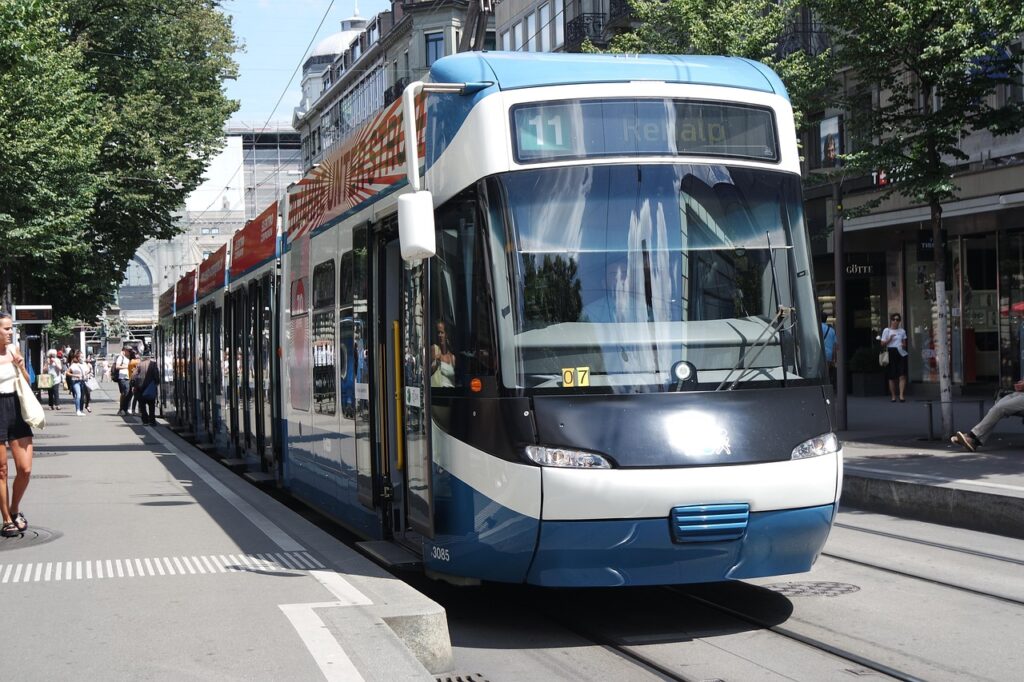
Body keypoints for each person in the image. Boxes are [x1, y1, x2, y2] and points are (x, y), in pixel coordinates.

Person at [0, 312, 34, 537]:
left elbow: (29, 382)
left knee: (25, 468)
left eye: (11, 328)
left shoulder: (14, 350)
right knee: (1, 470)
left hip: (16, 407)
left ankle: (15, 508)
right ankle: (6, 519)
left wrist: (21, 366)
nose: (11, 332)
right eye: (6, 329)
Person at [952, 379, 1024, 452]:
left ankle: (971, 436)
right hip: (1019, 393)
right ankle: (974, 442)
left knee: (999, 408)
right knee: (995, 408)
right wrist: (1021, 383)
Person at [880, 313, 908, 402]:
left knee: (902, 374)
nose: (895, 321)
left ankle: (901, 395)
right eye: (894, 319)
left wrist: (903, 344)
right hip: (890, 352)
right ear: (891, 320)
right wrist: (890, 339)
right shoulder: (886, 330)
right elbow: (882, 344)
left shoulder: (902, 331)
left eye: (897, 319)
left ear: (899, 321)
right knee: (891, 376)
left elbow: (904, 343)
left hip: (900, 352)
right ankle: (893, 396)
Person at [133, 352, 161, 425]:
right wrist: (156, 383)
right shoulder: (153, 364)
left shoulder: (139, 364)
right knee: (151, 405)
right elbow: (156, 376)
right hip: (150, 388)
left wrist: (134, 385)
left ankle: (145, 421)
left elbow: (134, 376)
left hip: (140, 388)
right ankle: (152, 420)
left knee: (142, 406)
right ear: (149, 357)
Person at [430, 321, 456, 388]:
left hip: (451, 394)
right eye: (438, 333)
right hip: (439, 393)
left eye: (442, 332)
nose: (440, 335)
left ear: (446, 334)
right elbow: (428, 372)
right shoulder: (434, 349)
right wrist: (436, 361)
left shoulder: (452, 357)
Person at [65, 350, 88, 416]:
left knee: (82, 397)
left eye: (83, 356)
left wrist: (86, 373)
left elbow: (88, 369)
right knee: (78, 395)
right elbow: (67, 372)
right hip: (76, 382)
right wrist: (75, 375)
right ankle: (77, 410)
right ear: (78, 357)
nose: (82, 358)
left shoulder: (84, 364)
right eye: (81, 356)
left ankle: (81, 410)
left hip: (82, 381)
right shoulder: (74, 365)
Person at [821, 311, 838, 388]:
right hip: (829, 354)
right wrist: (834, 358)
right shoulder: (832, 330)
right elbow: (835, 345)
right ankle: (827, 386)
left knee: (819, 372)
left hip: (819, 353)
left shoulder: (816, 328)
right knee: (827, 372)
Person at [113, 347, 131, 414]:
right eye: (128, 350)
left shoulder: (129, 357)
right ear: (124, 351)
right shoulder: (121, 357)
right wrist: (127, 366)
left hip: (129, 377)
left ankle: (125, 409)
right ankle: (122, 409)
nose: (129, 352)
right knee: (125, 392)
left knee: (129, 393)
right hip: (123, 378)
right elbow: (117, 367)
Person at [127, 349, 140, 414]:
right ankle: (134, 410)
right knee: (137, 396)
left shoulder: (130, 361)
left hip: (131, 380)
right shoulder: (135, 362)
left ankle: (130, 409)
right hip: (135, 381)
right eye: (137, 354)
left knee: (131, 396)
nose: (138, 355)